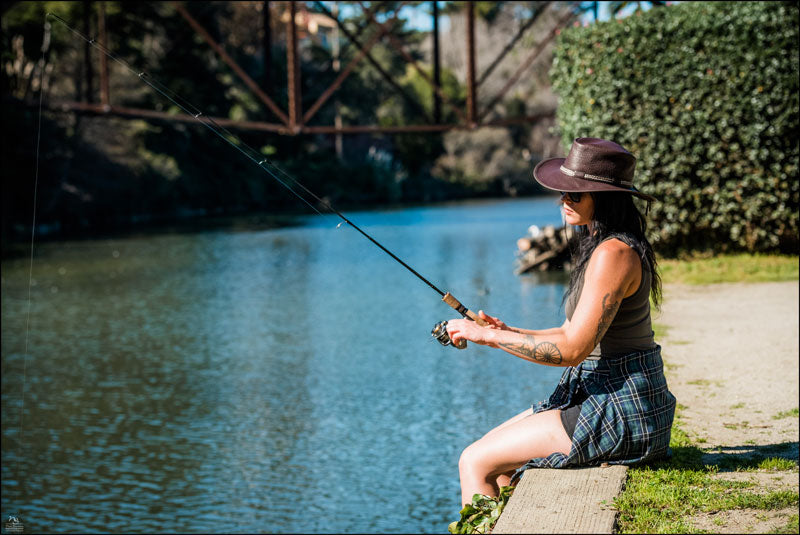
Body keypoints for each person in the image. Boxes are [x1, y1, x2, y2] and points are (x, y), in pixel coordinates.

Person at [446, 137, 676, 506]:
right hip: (609, 393)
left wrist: (484, 337)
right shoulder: (603, 246)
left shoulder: (614, 254)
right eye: (563, 193)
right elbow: (571, 333)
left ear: (603, 198)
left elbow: (571, 351)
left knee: (474, 461)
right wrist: (504, 332)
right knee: (498, 464)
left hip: (624, 407)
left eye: (574, 195)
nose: (563, 201)